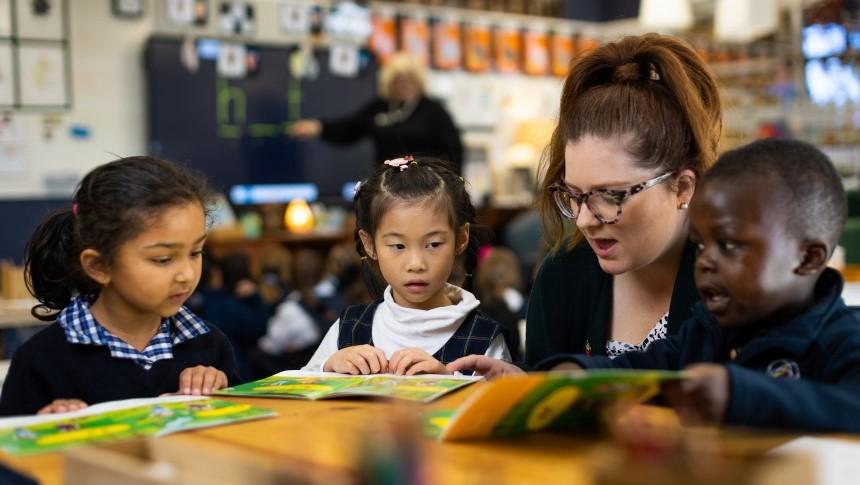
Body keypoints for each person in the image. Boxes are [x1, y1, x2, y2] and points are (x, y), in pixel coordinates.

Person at [528, 139, 860, 432]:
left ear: (808, 259)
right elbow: (641, 370)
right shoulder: (708, 329)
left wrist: (738, 394)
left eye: (729, 245)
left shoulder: (843, 342)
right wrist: (579, 373)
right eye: (701, 245)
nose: (704, 261)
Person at [448, 33, 722, 376]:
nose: (583, 220)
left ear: (682, 187)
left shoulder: (736, 279)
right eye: (573, 195)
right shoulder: (563, 276)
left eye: (610, 196)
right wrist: (528, 387)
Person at [0, 156, 240, 416]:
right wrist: (46, 429)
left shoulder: (209, 346)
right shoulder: (42, 360)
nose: (186, 274)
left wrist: (219, 393)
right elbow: (11, 449)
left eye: (196, 252)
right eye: (163, 259)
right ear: (99, 266)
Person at [302, 156, 510, 375]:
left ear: (461, 238)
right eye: (398, 246)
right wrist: (328, 367)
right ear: (370, 244)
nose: (416, 264)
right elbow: (297, 396)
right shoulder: (348, 328)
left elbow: (503, 406)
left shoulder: (484, 338)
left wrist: (449, 382)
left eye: (433, 244)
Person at [289, 52, 464, 173]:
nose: (404, 85)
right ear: (390, 82)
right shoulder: (380, 107)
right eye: (398, 80)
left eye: (409, 80)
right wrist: (320, 128)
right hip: (387, 186)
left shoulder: (433, 110)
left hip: (425, 188)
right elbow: (350, 128)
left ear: (418, 81)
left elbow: (454, 151)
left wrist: (449, 186)